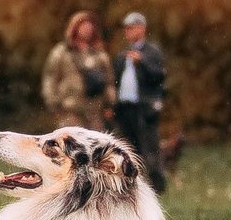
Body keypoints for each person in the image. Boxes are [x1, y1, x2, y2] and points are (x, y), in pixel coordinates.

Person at [112, 12, 169, 192]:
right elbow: (115, 80)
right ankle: (133, 184)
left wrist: (141, 62)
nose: (127, 31)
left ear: (142, 28)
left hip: (144, 108)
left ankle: (157, 186)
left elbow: (158, 77)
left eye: (131, 27)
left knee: (150, 148)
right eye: (126, 28)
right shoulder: (122, 55)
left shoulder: (152, 52)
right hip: (126, 108)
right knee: (128, 147)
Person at [41, 10, 116, 130]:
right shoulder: (62, 52)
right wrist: (53, 104)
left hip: (95, 111)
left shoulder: (99, 54)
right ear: (75, 28)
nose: (87, 29)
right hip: (71, 110)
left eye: (89, 26)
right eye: (83, 25)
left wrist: (110, 103)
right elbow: (50, 79)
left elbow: (109, 80)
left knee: (95, 145)